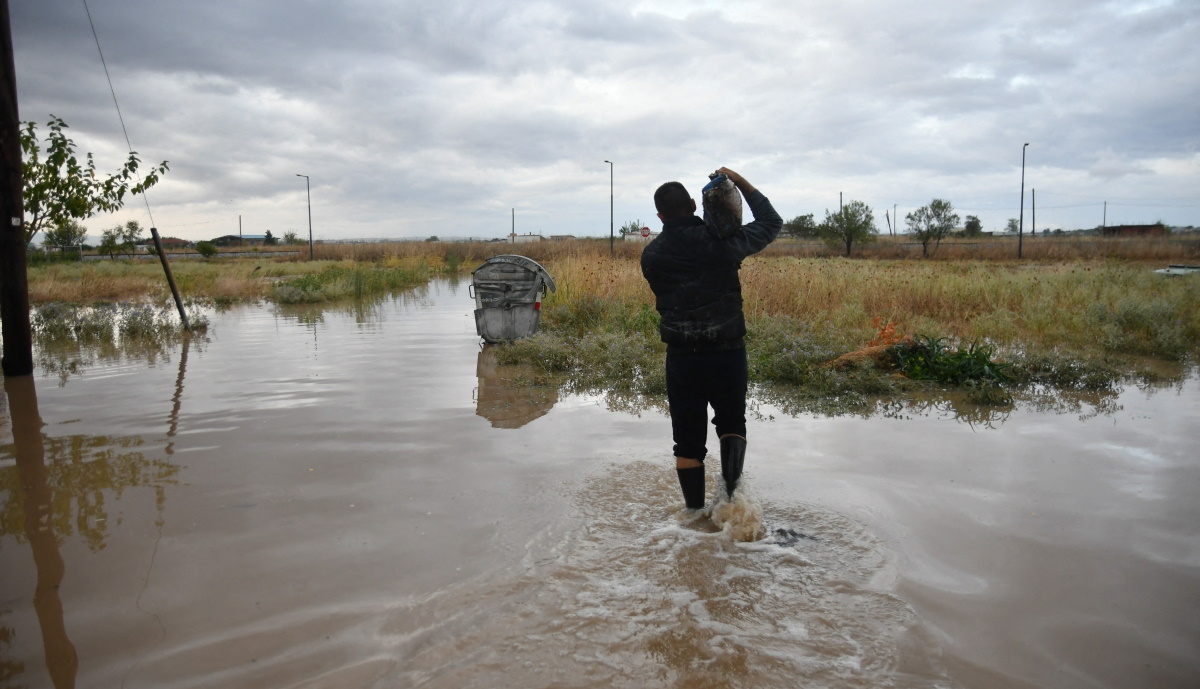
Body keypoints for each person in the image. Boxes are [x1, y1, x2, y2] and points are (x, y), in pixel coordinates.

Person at [640, 167, 783, 511]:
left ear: (660, 215)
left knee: (687, 444)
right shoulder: (724, 241)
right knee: (732, 424)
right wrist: (741, 182)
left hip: (682, 358)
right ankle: (731, 501)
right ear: (693, 203)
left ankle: (692, 518)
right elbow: (770, 222)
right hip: (727, 353)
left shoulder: (652, 256)